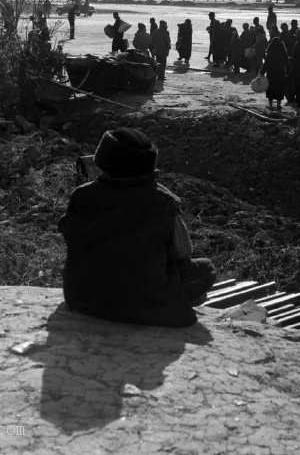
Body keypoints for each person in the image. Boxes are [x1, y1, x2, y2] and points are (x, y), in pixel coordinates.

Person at [58, 128, 216, 327]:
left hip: (81, 297)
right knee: (204, 270)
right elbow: (183, 251)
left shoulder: (81, 195)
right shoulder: (162, 202)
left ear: (100, 160)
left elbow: (72, 239)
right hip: (147, 303)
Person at [261, 35, 289, 111]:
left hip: (271, 73)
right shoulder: (283, 53)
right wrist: (288, 72)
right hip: (280, 73)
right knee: (279, 89)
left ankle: (270, 105)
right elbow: (287, 63)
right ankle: (278, 105)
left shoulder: (270, 53)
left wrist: (262, 72)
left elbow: (266, 64)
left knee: (271, 89)